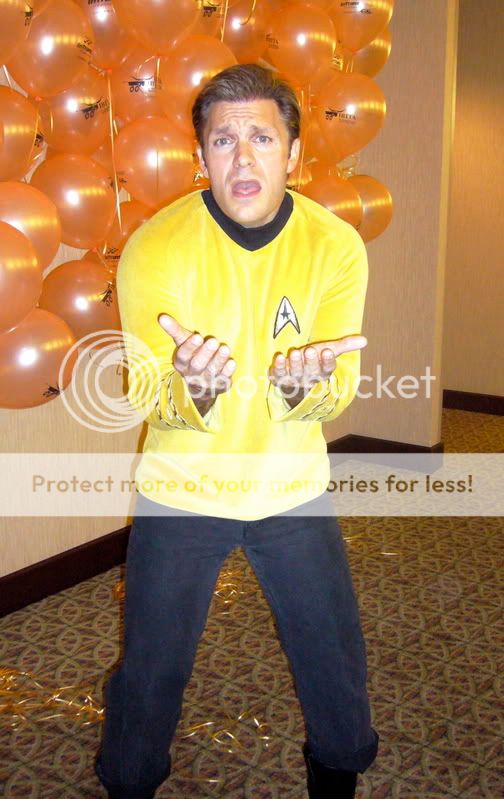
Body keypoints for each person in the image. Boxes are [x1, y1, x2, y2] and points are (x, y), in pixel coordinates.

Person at [94, 63, 379, 799]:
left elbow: (337, 388)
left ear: (294, 153)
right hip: (182, 491)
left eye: (262, 138)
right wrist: (194, 387)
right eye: (223, 140)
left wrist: (301, 384)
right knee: (151, 668)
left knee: (334, 658)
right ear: (201, 156)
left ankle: (338, 773)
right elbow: (145, 390)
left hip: (291, 487)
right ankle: (129, 780)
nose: (243, 158)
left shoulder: (335, 245)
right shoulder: (156, 246)